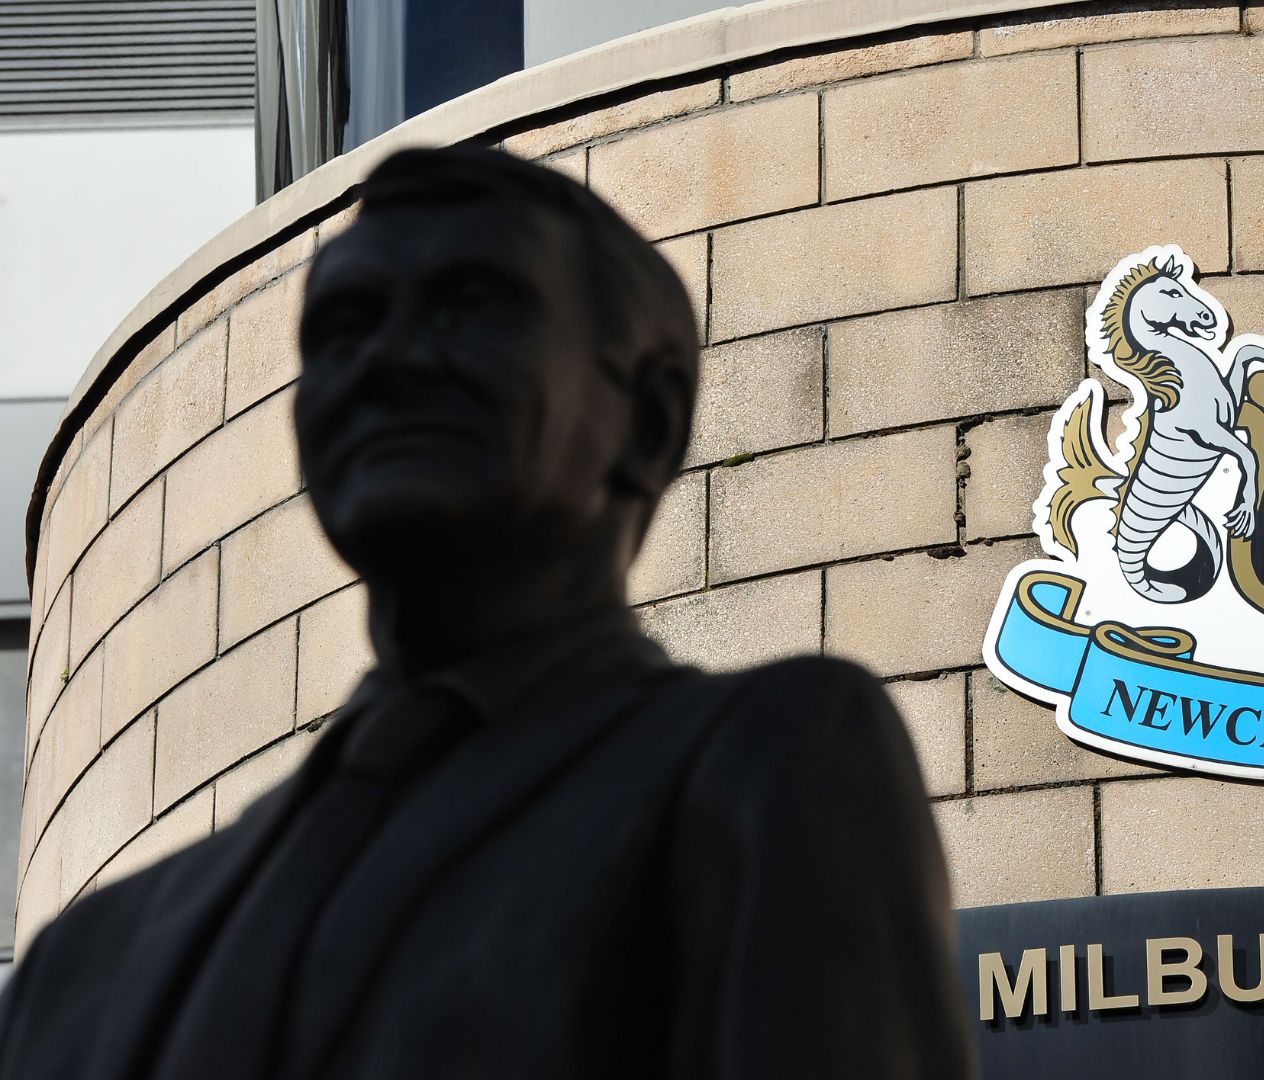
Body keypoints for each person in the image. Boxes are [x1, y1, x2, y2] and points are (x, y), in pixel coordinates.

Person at [0, 146, 973, 1079]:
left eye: (471, 308)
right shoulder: (78, 972)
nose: (387, 362)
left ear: (650, 419)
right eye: (343, 328)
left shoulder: (765, 766)